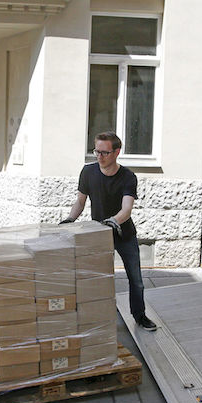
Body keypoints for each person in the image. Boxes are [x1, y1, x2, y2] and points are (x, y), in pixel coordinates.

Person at [61, 131, 157, 331]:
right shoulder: (88, 172)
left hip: (124, 235)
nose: (99, 156)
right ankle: (97, 318)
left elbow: (127, 210)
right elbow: (80, 201)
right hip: (99, 236)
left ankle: (139, 316)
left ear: (116, 152)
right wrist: (71, 219)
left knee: (136, 280)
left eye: (104, 153)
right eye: (97, 151)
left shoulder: (128, 177)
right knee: (99, 280)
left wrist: (113, 221)